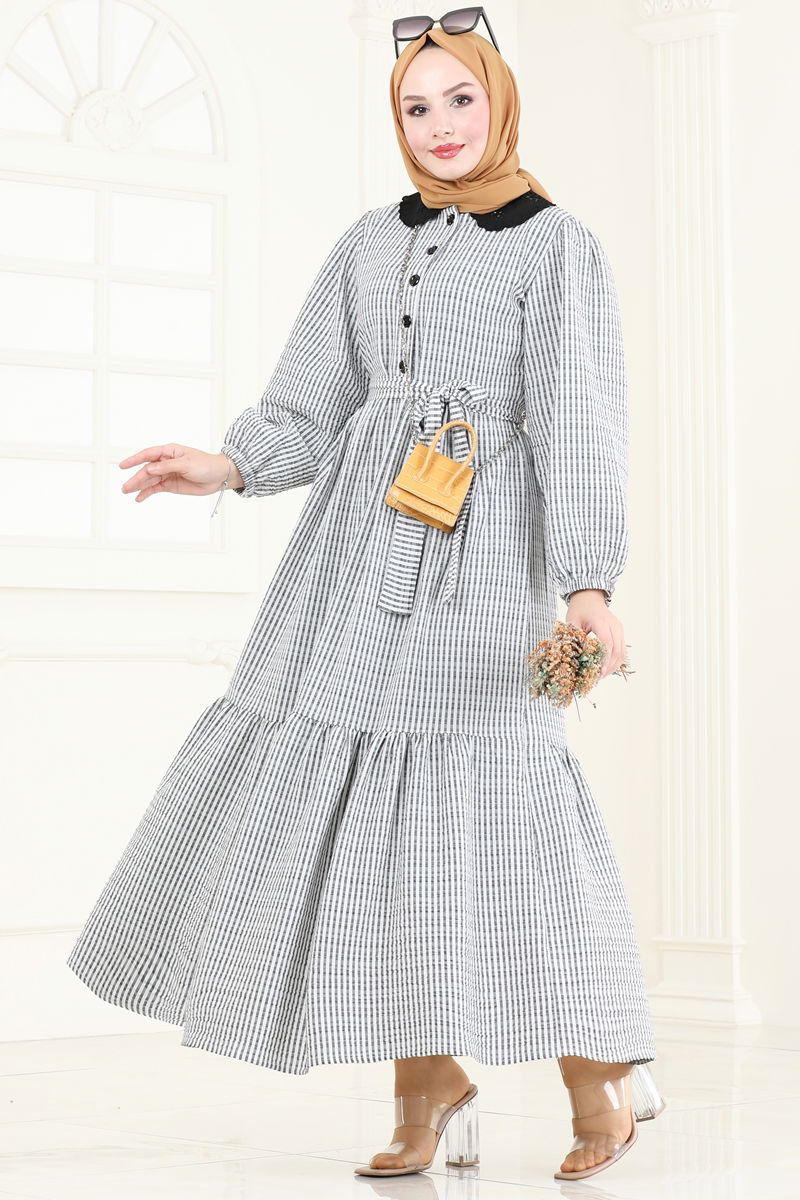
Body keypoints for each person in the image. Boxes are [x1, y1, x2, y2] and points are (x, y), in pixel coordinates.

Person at [65, 16, 665, 1184]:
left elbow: (579, 422)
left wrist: (587, 583)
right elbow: (312, 398)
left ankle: (599, 1072)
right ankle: (426, 1081)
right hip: (351, 561)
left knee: (512, 818)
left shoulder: (556, 247)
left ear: (499, 101)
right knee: (378, 825)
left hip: (483, 561)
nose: (438, 126)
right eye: (413, 107)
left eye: (458, 100)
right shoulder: (367, 242)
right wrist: (229, 465)